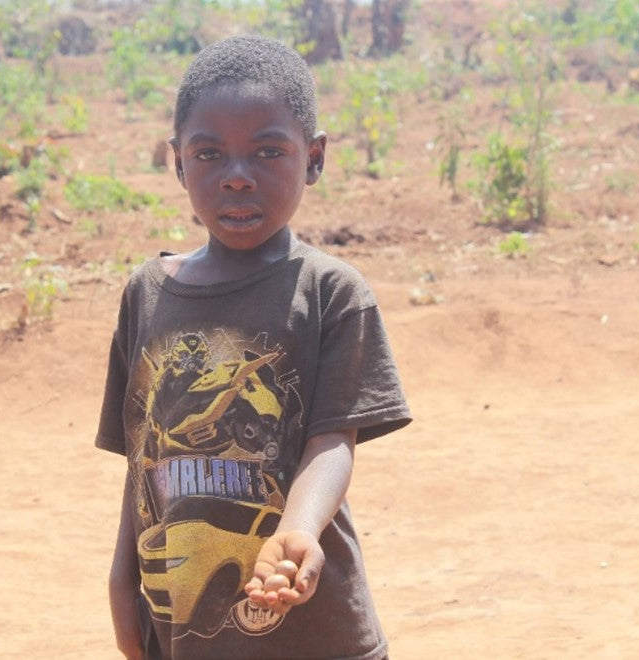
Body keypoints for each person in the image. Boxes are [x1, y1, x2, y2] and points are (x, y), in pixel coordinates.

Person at [95, 34, 412, 659]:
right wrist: (122, 575)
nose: (238, 178)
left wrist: (298, 530)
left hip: (311, 626)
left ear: (314, 158)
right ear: (178, 164)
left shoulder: (329, 293)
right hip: (184, 619)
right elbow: (144, 461)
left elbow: (332, 441)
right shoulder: (147, 294)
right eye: (209, 154)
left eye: (268, 152)